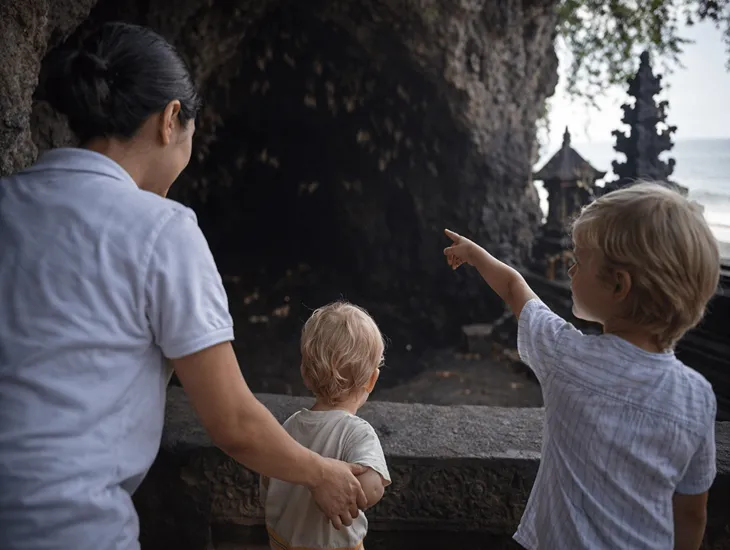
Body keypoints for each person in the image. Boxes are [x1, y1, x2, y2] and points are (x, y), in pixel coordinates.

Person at [0, 22, 367, 550]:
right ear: (172, 119)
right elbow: (233, 421)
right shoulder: (162, 228)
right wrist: (320, 473)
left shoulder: (10, 200)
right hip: (69, 528)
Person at [443, 182, 719, 550]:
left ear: (619, 285)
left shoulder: (565, 356)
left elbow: (514, 288)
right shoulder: (698, 397)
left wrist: (475, 254)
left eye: (579, 261)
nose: (570, 270)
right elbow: (692, 514)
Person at [260, 301, 391, 550]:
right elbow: (371, 489)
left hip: (283, 541)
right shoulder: (358, 433)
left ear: (305, 373)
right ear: (372, 380)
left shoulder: (290, 425)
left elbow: (268, 479)